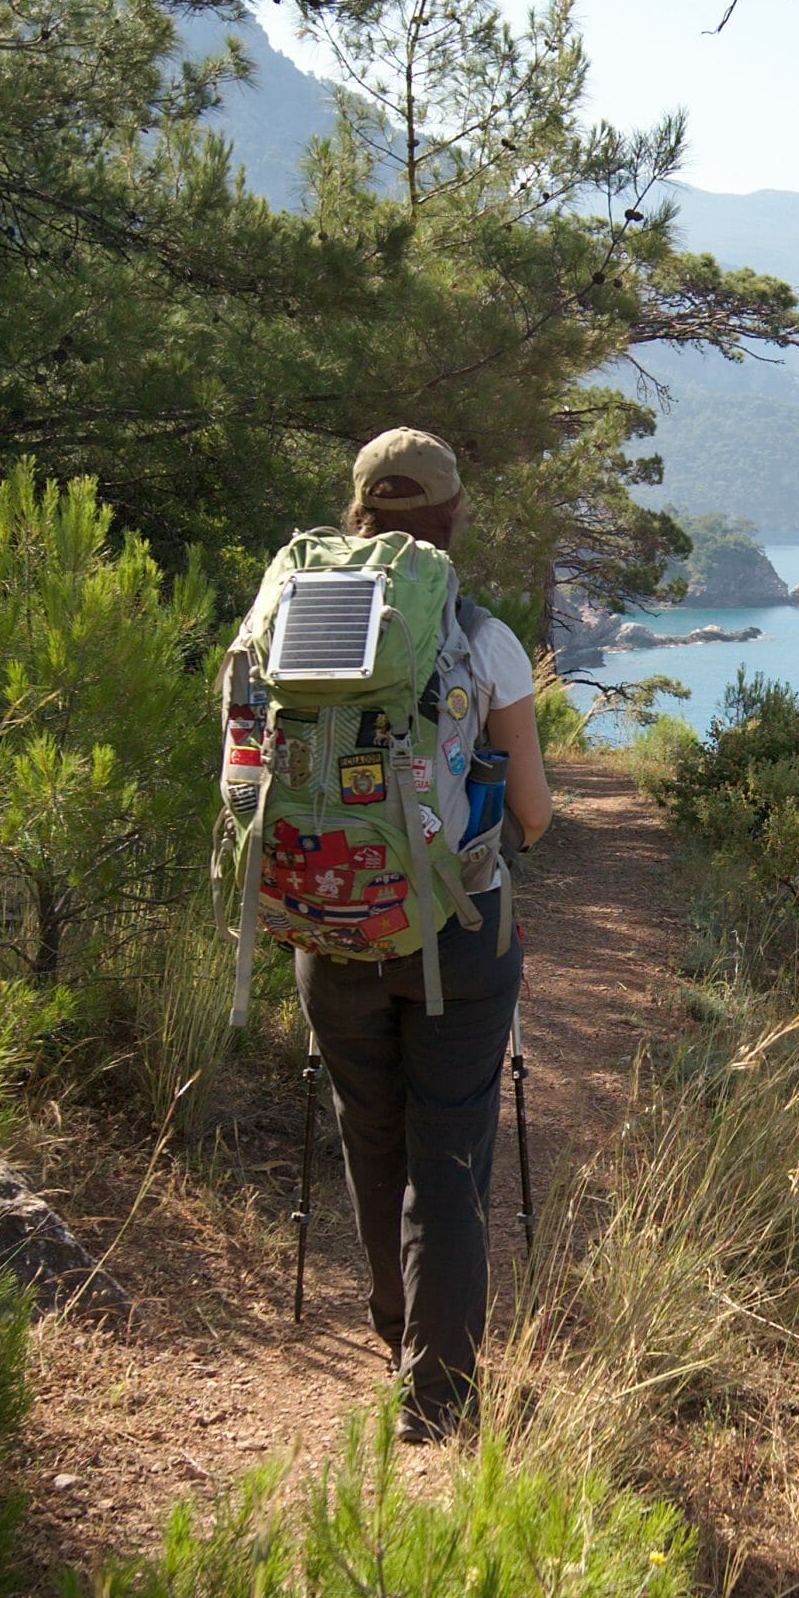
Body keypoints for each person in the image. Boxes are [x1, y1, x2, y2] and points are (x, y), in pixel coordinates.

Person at [294, 428, 553, 1440]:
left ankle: (395, 1335)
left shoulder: (289, 622)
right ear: (449, 518)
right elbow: (527, 810)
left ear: (358, 511)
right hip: (456, 932)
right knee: (448, 1154)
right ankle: (437, 1391)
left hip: (328, 923)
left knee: (374, 1143)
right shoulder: (478, 636)